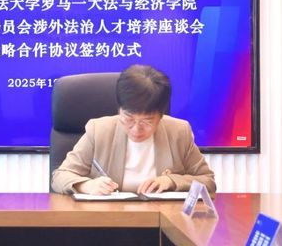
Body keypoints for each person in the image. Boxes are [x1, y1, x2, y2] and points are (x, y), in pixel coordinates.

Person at [51, 65, 216, 196]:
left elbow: (208, 181)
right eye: (129, 119)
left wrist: (171, 181)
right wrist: (87, 185)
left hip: (163, 218)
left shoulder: (179, 132)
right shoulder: (99, 130)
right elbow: (60, 176)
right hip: (108, 218)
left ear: (161, 115)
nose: (136, 129)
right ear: (119, 109)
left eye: (147, 121)